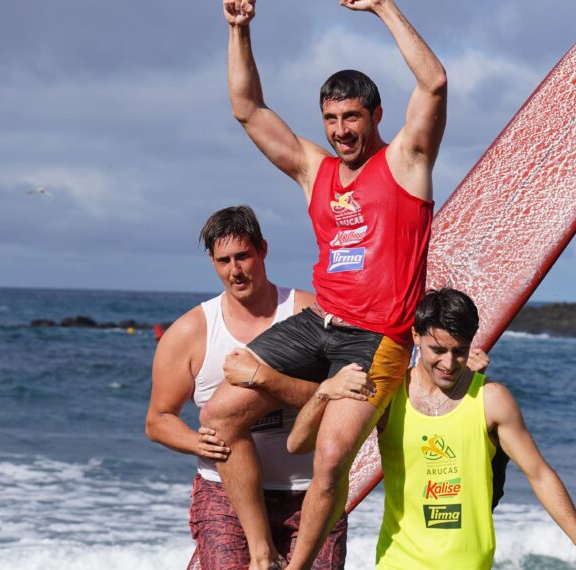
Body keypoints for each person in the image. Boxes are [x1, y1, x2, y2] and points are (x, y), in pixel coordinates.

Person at [202, 1, 448, 568]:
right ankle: (262, 551)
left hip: (378, 337)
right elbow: (247, 108)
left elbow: (433, 82)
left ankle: (298, 565)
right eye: (332, 120)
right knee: (218, 418)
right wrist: (239, 30)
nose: (341, 132)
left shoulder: (407, 162)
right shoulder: (316, 170)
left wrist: (383, 8)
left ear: (376, 116)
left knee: (332, 455)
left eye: (352, 118)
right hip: (319, 324)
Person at [288, 289, 576, 570]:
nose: (450, 363)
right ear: (415, 337)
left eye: (460, 351)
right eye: (438, 350)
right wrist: (323, 392)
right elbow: (299, 444)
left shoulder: (491, 400)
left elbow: (539, 474)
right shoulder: (387, 394)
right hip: (400, 563)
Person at [145, 206, 372, 570]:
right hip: (225, 497)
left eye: (243, 256)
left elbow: (342, 398)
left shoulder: (309, 314)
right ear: (212, 262)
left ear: (263, 249)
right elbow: (158, 419)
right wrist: (198, 442)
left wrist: (265, 379)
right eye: (223, 261)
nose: (234, 271)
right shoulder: (190, 333)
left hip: (308, 492)